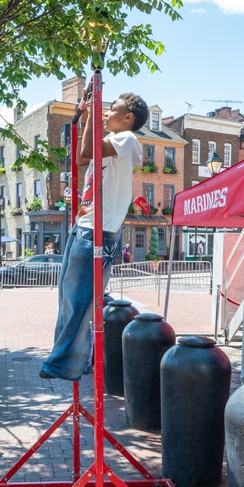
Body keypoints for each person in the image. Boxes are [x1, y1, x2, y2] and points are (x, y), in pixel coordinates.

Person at [39, 89, 148, 381]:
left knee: (80, 299)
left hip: (100, 230)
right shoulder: (115, 139)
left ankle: (66, 363)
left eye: (113, 108)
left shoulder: (128, 139)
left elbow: (89, 152)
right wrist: (89, 116)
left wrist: (90, 115)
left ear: (128, 118)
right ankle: (63, 359)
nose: (108, 112)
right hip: (85, 224)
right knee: (67, 297)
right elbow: (80, 158)